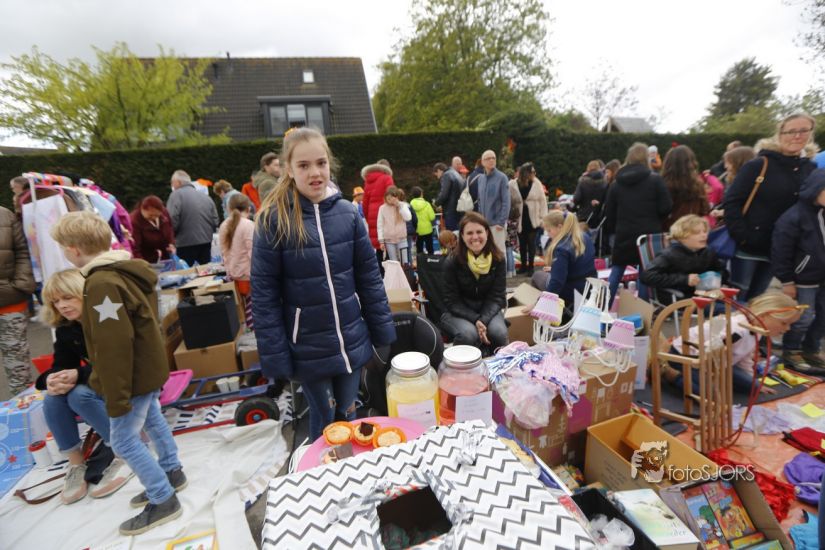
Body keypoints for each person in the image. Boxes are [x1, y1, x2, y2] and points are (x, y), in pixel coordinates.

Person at [251, 128, 396, 441]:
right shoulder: (274, 220)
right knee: (324, 417)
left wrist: (382, 332)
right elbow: (264, 297)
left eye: (321, 163)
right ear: (289, 169)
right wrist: (276, 356)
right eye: (304, 165)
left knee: (348, 411)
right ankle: (323, 466)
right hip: (307, 347)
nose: (315, 172)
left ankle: (348, 465)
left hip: (350, 339)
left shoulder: (348, 214)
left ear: (330, 164)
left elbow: (369, 279)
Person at [50, 211, 185, 535]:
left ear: (73, 249)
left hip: (131, 376)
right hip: (146, 369)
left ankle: (163, 497)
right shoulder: (121, 272)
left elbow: (113, 345)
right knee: (152, 420)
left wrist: (116, 394)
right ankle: (171, 472)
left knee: (123, 441)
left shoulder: (100, 284)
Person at [37, 269, 132, 504]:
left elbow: (120, 362)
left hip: (129, 383)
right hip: (100, 384)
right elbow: (62, 365)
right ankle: (76, 463)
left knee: (78, 395)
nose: (62, 305)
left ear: (84, 294)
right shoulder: (66, 328)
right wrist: (51, 380)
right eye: (56, 301)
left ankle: (126, 451)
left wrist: (77, 374)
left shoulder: (107, 317)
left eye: (67, 297)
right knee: (52, 397)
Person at [724, 113, 819, 301]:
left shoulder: (810, 168)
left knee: (758, 302)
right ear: (780, 134)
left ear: (811, 134)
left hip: (781, 249)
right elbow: (732, 201)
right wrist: (743, 237)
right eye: (791, 131)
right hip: (749, 247)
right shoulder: (759, 164)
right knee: (736, 301)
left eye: (803, 130)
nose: (797, 136)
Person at [665, 292, 803, 394]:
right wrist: (711, 375)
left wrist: (751, 382)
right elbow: (706, 351)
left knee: (752, 387)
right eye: (784, 323)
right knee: (709, 393)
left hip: (721, 362)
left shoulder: (757, 329)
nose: (787, 329)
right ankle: (671, 374)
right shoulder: (737, 329)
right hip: (688, 356)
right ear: (763, 316)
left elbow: (745, 358)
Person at [603, 143, 673, 306]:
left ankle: (603, 308)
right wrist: (656, 220)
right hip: (648, 233)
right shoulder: (655, 180)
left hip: (624, 233)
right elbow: (666, 207)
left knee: (616, 271)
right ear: (646, 158)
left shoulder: (616, 184)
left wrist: (614, 230)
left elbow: (609, 213)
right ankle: (642, 312)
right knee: (645, 273)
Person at [772, 169, 825, 372]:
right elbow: (781, 250)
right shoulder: (794, 216)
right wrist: (787, 281)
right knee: (802, 318)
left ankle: (811, 349)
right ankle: (791, 351)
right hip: (803, 279)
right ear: (815, 189)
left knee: (823, 317)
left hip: (822, 276)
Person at [441, 211, 508, 351]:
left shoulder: (498, 259)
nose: (475, 237)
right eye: (469, 233)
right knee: (468, 334)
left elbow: (497, 296)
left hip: (488, 310)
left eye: (479, 232)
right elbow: (451, 301)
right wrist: (476, 319)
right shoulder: (452, 262)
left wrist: (482, 320)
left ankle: (497, 360)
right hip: (457, 312)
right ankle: (460, 363)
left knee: (499, 333)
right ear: (462, 236)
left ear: (487, 233)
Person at [640, 215, 725, 299]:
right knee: (724, 307)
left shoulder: (708, 251)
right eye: (697, 233)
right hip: (684, 298)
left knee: (731, 304)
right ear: (682, 236)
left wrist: (717, 280)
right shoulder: (669, 254)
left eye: (705, 231)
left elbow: (721, 270)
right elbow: (647, 276)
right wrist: (685, 279)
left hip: (708, 293)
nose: (704, 235)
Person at [0, 204, 35, 396]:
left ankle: (23, 407)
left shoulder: (5, 215)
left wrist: (20, 284)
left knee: (18, 368)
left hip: (10, 302)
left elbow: (23, 251)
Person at [531, 210, 596, 307]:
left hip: (573, 290)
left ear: (560, 227)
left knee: (537, 276)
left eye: (549, 230)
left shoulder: (562, 248)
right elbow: (580, 263)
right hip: (590, 288)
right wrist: (556, 268)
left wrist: (538, 304)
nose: (548, 235)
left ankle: (546, 311)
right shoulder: (584, 237)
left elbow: (556, 283)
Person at [166, 169, 219, 266]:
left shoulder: (175, 195)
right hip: (206, 241)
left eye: (172, 182)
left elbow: (172, 220)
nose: (172, 185)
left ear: (178, 182)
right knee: (207, 271)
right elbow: (215, 220)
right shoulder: (205, 196)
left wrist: (171, 238)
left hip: (185, 243)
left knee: (186, 272)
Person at [219, 193, 254, 329]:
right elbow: (253, 254)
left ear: (228, 209)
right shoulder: (248, 225)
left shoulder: (223, 225)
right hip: (249, 278)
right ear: (248, 209)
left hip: (233, 277)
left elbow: (224, 253)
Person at [661, 145, 710, 231]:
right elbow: (705, 210)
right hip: (693, 231)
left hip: (670, 232)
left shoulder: (664, 186)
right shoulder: (698, 185)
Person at [515, 162, 548, 276]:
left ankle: (531, 267)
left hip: (533, 218)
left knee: (531, 243)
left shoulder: (537, 184)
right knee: (522, 244)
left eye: (534, 171)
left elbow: (543, 202)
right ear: (526, 173)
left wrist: (543, 218)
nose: (534, 173)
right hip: (520, 217)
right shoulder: (514, 184)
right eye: (532, 171)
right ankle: (523, 266)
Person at [476, 150, 510, 257]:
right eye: (488, 158)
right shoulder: (480, 179)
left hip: (497, 224)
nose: (491, 160)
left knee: (500, 252)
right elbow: (480, 201)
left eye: (493, 158)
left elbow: (506, 201)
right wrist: (480, 220)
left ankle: (502, 269)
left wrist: (501, 222)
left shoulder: (502, 178)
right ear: (482, 162)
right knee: (486, 252)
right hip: (484, 224)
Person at [361, 159, 395, 266]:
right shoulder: (387, 178)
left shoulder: (368, 181)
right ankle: (390, 273)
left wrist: (369, 219)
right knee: (390, 249)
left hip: (372, 217)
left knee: (379, 248)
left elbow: (364, 204)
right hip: (386, 217)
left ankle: (380, 272)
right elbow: (392, 198)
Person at [129, 196, 176, 263]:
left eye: (157, 215)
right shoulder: (134, 221)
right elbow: (135, 248)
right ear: (142, 209)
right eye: (150, 215)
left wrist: (171, 243)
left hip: (165, 258)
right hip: (147, 260)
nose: (154, 218)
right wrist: (142, 265)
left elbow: (170, 229)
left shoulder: (164, 213)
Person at [377, 186, 412, 264]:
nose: (390, 200)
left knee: (404, 262)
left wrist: (399, 205)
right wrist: (381, 241)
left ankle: (405, 272)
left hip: (402, 238)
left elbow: (408, 218)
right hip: (389, 240)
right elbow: (380, 225)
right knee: (394, 262)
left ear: (396, 197)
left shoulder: (403, 205)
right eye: (388, 199)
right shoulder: (382, 208)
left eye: (391, 198)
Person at [572, 160, 608, 227]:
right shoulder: (605, 182)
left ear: (588, 168)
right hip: (598, 216)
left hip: (583, 215)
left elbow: (576, 198)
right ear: (599, 168)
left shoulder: (583, 181)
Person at [434, 162, 463, 231]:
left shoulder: (446, 175)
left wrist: (436, 203)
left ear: (439, 170)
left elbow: (444, 194)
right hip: (459, 209)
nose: (437, 177)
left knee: (452, 233)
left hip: (450, 211)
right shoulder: (455, 173)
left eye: (436, 174)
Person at [506, 170, 523, 277]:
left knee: (507, 250)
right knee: (510, 250)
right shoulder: (515, 191)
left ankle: (508, 271)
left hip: (508, 224)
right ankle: (513, 271)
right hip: (514, 224)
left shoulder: (507, 189)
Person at [410, 186, 436, 255]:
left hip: (417, 230)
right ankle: (431, 259)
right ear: (421, 194)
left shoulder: (410, 205)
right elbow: (432, 217)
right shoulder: (427, 204)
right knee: (430, 248)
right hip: (428, 229)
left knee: (419, 248)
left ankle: (420, 260)